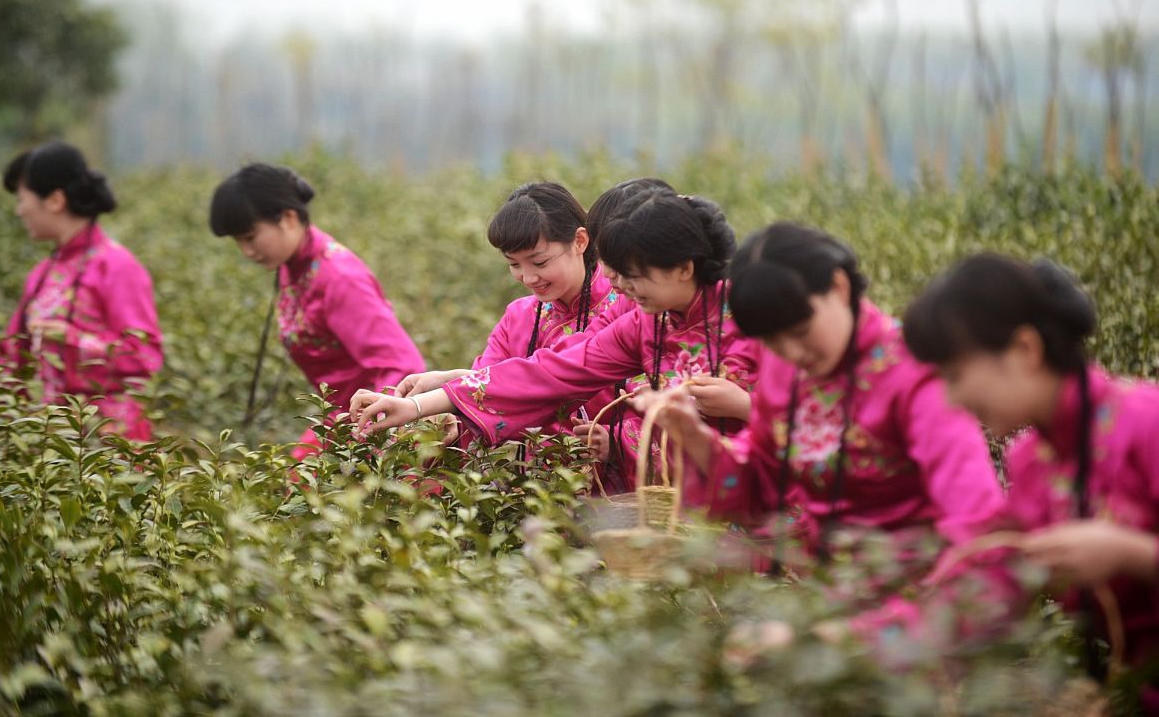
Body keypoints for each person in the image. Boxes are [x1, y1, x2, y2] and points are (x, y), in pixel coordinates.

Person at [647, 222, 1004, 574]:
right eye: (773, 342)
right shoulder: (784, 368)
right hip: (822, 582)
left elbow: (975, 520)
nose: (793, 353)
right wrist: (693, 436)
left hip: (917, 584)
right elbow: (764, 480)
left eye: (801, 331)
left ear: (839, 286)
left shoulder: (914, 373)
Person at [348, 191, 761, 475]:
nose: (623, 287)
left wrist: (747, 406)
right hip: (688, 512)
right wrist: (419, 406)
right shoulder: (646, 321)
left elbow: (803, 415)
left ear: (684, 269)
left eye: (633, 275)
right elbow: (551, 372)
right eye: (515, 265)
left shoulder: (758, 313)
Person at [897, 253, 1158, 698]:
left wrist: (1131, 554)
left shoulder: (1146, 423)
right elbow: (994, 581)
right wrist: (859, 642)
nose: (953, 399)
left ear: (1025, 350)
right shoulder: (1031, 463)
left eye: (956, 376)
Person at [393, 181, 630, 488]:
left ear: (580, 241)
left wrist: (617, 440)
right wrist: (448, 418)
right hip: (537, 491)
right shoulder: (519, 317)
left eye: (540, 262)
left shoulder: (628, 303)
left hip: (621, 493)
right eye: (514, 264)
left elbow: (658, 396)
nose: (528, 277)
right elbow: (493, 391)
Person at [209, 163, 424, 457]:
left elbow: (404, 366)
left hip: (367, 427)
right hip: (338, 419)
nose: (246, 251)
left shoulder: (339, 277)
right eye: (238, 242)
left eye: (250, 237)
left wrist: (372, 434)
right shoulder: (293, 268)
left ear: (288, 218)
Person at [0, 141, 163, 441]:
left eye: (22, 200)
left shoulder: (117, 266)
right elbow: (11, 358)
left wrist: (75, 340)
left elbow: (145, 357)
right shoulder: (41, 274)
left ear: (55, 200)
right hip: (51, 444)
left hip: (112, 446)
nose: (19, 211)